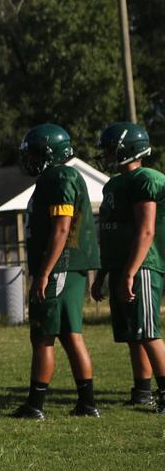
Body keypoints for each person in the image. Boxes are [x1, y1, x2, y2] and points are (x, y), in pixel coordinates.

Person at [11, 124, 102, 419]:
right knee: (66, 333)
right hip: (64, 266)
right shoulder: (55, 177)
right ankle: (86, 404)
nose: (31, 159)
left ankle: (36, 406)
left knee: (44, 336)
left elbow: (62, 227)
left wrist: (45, 271)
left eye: (36, 152)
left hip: (59, 266)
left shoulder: (60, 176)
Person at [92, 122, 165, 413]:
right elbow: (111, 235)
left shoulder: (146, 178)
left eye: (111, 149)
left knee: (147, 331)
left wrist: (131, 272)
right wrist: (103, 274)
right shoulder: (113, 184)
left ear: (128, 149)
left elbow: (146, 231)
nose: (107, 154)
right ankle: (142, 390)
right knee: (133, 334)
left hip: (142, 265)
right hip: (121, 265)